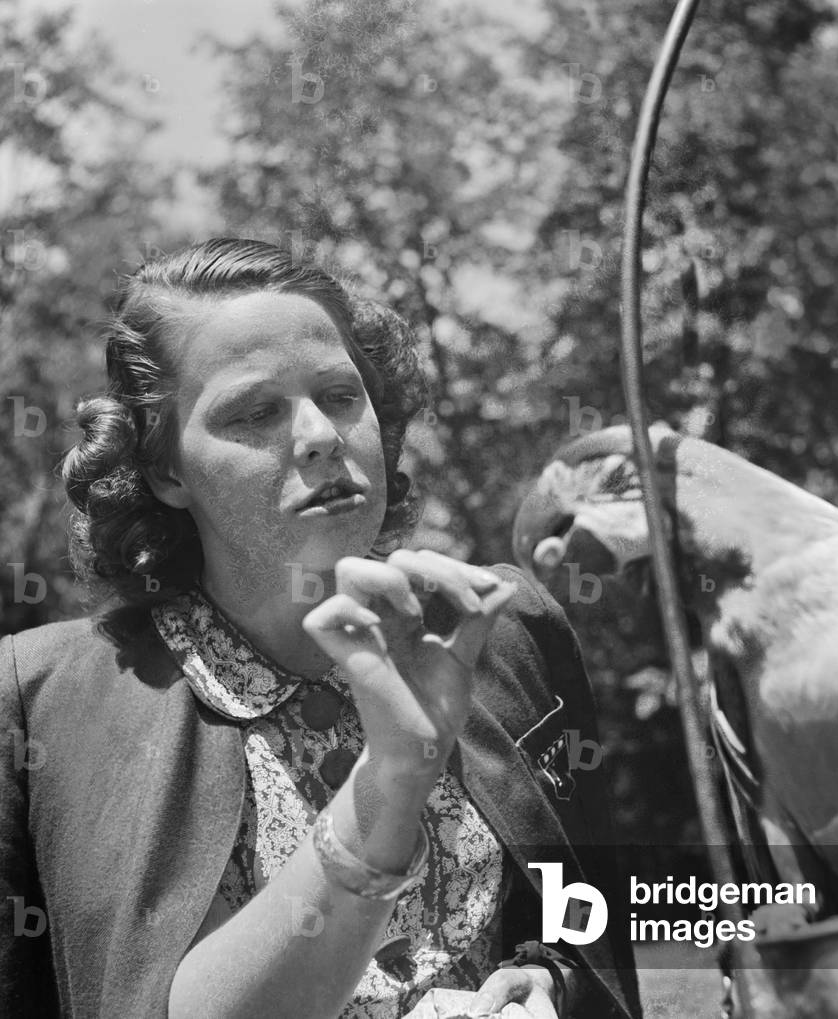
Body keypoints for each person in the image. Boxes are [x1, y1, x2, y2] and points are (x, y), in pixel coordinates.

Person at [0, 238, 642, 1018]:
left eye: (341, 395)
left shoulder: (506, 628)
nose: (318, 434)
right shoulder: (44, 698)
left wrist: (552, 978)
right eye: (255, 411)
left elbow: (588, 913)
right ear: (166, 468)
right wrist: (391, 778)